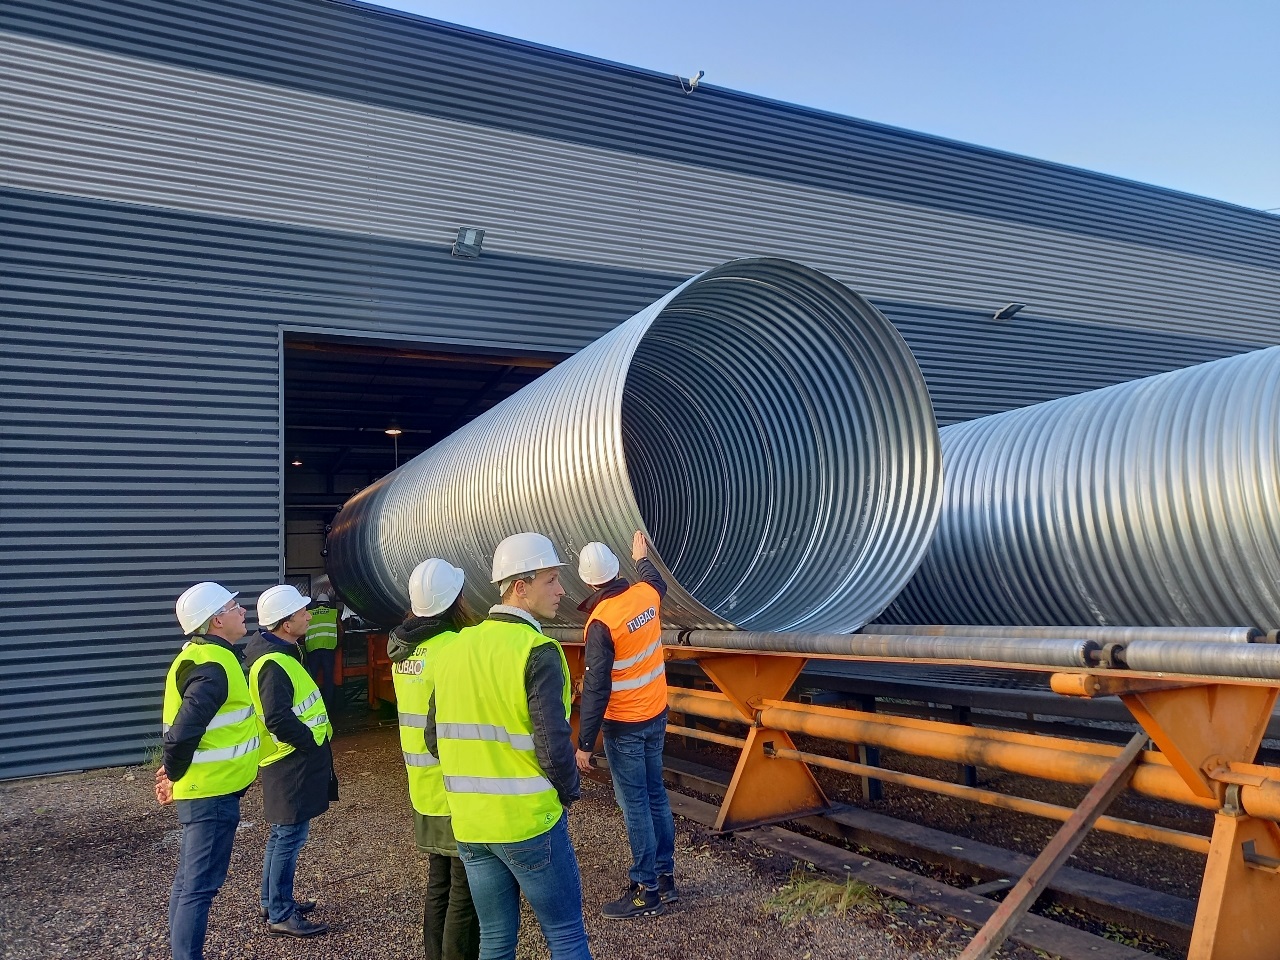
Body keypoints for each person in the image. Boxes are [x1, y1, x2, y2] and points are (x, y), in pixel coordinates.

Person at [424, 532, 592, 960]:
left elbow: (433, 739)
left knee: (496, 940)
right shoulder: (537, 650)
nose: (561, 591)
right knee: (567, 935)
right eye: (551, 580)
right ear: (520, 586)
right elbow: (554, 746)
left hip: (472, 827)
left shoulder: (454, 649)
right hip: (527, 823)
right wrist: (569, 793)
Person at [574, 531, 677, 919]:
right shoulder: (645, 595)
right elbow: (657, 582)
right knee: (656, 796)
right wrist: (641, 558)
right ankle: (665, 880)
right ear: (616, 570)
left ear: (587, 582)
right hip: (655, 715)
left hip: (626, 725)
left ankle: (645, 889)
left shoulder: (601, 623)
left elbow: (597, 689)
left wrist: (585, 743)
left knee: (635, 805)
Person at [157, 582, 261, 960]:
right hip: (210, 795)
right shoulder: (213, 667)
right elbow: (182, 734)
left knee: (189, 882)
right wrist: (171, 773)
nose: (242, 611)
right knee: (199, 886)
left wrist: (172, 773)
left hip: (210, 791)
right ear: (217, 619)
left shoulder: (206, 657)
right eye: (234, 606)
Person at [389, 558, 480, 960]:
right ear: (454, 600)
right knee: (465, 892)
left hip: (423, 788)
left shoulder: (404, 652)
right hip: (455, 787)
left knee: (439, 883)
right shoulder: (454, 648)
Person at [244, 584, 337, 939]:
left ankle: (272, 902)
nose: (309, 616)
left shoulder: (277, 654)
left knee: (282, 835)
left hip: (287, 760)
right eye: (302, 613)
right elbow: (278, 718)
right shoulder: (273, 663)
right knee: (289, 836)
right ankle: (280, 911)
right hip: (291, 761)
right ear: (285, 623)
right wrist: (310, 742)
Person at [305, 592, 340, 712]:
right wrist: (338, 643)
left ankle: (312, 706)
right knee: (328, 679)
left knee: (311, 680)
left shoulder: (309, 614)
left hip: (313, 650)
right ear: (328, 604)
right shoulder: (333, 613)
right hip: (328, 650)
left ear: (317, 603)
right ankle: (328, 707)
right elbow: (342, 630)